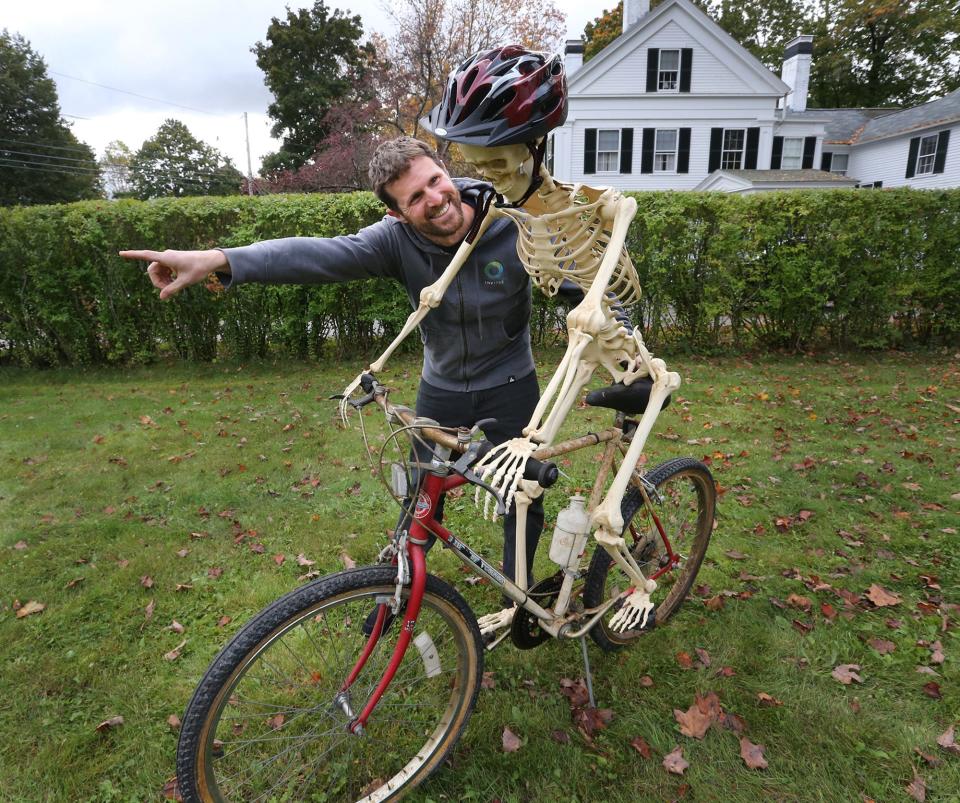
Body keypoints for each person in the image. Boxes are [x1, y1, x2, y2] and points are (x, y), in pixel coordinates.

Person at [120, 135, 545, 591]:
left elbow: (585, 280)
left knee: (523, 494)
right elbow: (317, 254)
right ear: (397, 214)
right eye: (415, 199)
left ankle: (517, 588)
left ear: (446, 170)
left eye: (436, 182)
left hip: (512, 382)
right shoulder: (395, 241)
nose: (436, 200)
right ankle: (397, 597)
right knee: (420, 500)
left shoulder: (511, 222)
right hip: (441, 389)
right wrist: (217, 260)